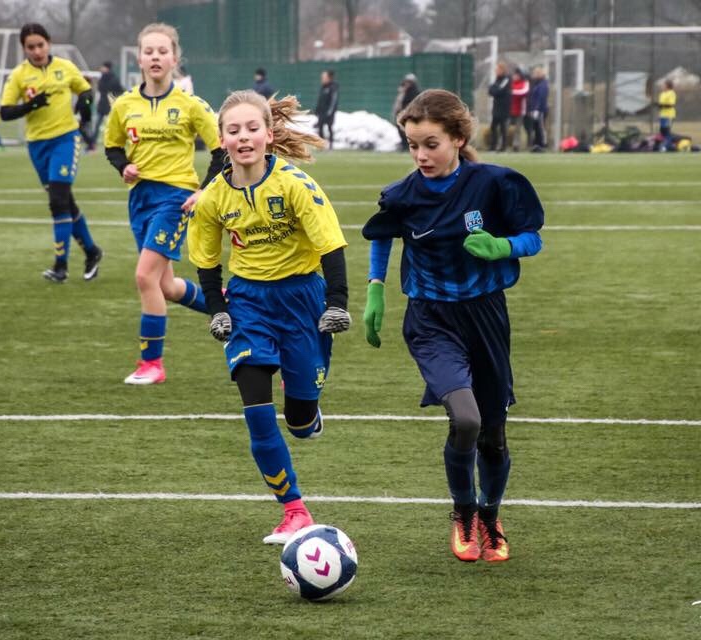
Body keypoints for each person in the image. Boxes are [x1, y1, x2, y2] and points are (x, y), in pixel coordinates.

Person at [362, 89, 544, 563]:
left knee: (493, 436)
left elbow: (532, 238)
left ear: (458, 139)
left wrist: (503, 247)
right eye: (412, 145)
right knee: (466, 419)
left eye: (431, 144)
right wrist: (376, 288)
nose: (421, 155)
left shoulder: (494, 184)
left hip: (485, 317)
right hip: (431, 319)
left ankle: (490, 516)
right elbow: (383, 234)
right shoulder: (403, 195)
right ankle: (463, 512)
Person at [187, 89, 350, 544]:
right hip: (249, 303)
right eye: (233, 130)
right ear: (221, 139)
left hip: (302, 300)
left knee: (298, 421)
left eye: (252, 128)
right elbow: (206, 261)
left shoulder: (295, 184)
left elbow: (331, 244)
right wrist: (218, 310)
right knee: (256, 407)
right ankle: (294, 510)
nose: (243, 137)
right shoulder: (214, 197)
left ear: (269, 134)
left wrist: (337, 302)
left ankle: (307, 413)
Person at [104, 23, 226, 386]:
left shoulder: (190, 105)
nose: (155, 57)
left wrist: (204, 190)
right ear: (139, 59)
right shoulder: (124, 105)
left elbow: (221, 150)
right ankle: (228, 308)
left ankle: (152, 364)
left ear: (175, 59)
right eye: (149, 51)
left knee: (144, 277)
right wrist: (123, 167)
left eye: (162, 51)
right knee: (167, 287)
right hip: (140, 199)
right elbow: (112, 147)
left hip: (175, 199)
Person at [0, 23, 102, 284]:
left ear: (49, 44)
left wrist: (85, 107)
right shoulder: (19, 75)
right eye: (30, 47)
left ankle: (60, 266)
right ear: (24, 49)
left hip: (65, 139)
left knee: (57, 201)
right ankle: (92, 252)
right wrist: (30, 105)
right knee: (65, 202)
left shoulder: (65, 67)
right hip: (37, 145)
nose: (36, 51)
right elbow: (5, 112)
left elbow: (86, 90)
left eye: (40, 45)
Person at [93, 61, 125, 149]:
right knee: (100, 124)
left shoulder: (111, 79)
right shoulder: (107, 78)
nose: (101, 69)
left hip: (109, 104)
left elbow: (118, 90)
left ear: (107, 68)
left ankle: (114, 140)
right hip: (105, 104)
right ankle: (94, 141)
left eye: (103, 67)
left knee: (110, 124)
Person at [392, 73, 420, 151]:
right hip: (401, 114)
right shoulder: (402, 91)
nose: (407, 83)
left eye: (409, 82)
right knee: (401, 130)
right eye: (407, 81)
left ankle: (408, 146)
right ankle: (404, 145)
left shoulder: (414, 92)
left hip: (408, 115)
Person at [488, 62, 510, 152]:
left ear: (502, 70)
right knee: (493, 127)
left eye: (498, 69)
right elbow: (490, 91)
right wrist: (494, 90)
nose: (496, 71)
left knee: (503, 128)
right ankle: (493, 146)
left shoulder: (506, 79)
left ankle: (503, 147)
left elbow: (499, 91)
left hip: (504, 107)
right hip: (496, 107)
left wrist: (494, 90)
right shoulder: (496, 80)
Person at [314, 69, 338, 149]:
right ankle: (322, 145)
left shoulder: (333, 87)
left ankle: (331, 146)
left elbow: (333, 101)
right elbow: (320, 100)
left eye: (324, 77)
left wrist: (330, 112)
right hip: (321, 112)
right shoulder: (323, 87)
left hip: (329, 113)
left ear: (329, 78)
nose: (322, 79)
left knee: (329, 127)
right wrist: (317, 110)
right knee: (320, 127)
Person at [527, 66, 548, 151]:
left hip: (540, 110)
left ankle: (542, 144)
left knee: (540, 127)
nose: (534, 75)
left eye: (536, 73)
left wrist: (537, 109)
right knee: (536, 128)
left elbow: (541, 97)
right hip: (535, 109)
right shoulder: (536, 84)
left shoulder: (543, 84)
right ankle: (537, 144)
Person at [508, 68, 529, 152]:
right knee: (506, 128)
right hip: (510, 110)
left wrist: (512, 92)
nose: (515, 76)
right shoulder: (511, 83)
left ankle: (516, 145)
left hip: (520, 110)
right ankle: (503, 144)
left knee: (518, 129)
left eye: (517, 75)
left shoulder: (524, 83)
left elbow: (523, 92)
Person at [657, 79, 677, 152]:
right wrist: (658, 105)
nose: (662, 86)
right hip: (662, 115)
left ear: (668, 86)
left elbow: (671, 104)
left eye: (664, 85)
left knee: (667, 131)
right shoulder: (662, 94)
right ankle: (670, 146)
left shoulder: (671, 93)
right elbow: (661, 104)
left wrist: (662, 105)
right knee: (662, 131)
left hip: (669, 115)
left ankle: (664, 146)